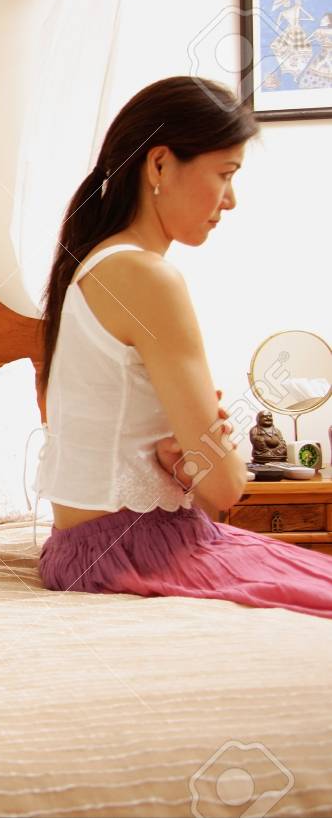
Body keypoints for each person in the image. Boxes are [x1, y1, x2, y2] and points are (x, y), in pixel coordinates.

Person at [33, 75, 332, 619]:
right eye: (225, 174)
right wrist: (206, 458)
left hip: (81, 552)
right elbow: (226, 488)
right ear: (160, 164)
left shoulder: (94, 265)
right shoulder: (147, 278)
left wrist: (185, 463)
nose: (231, 200)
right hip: (135, 550)